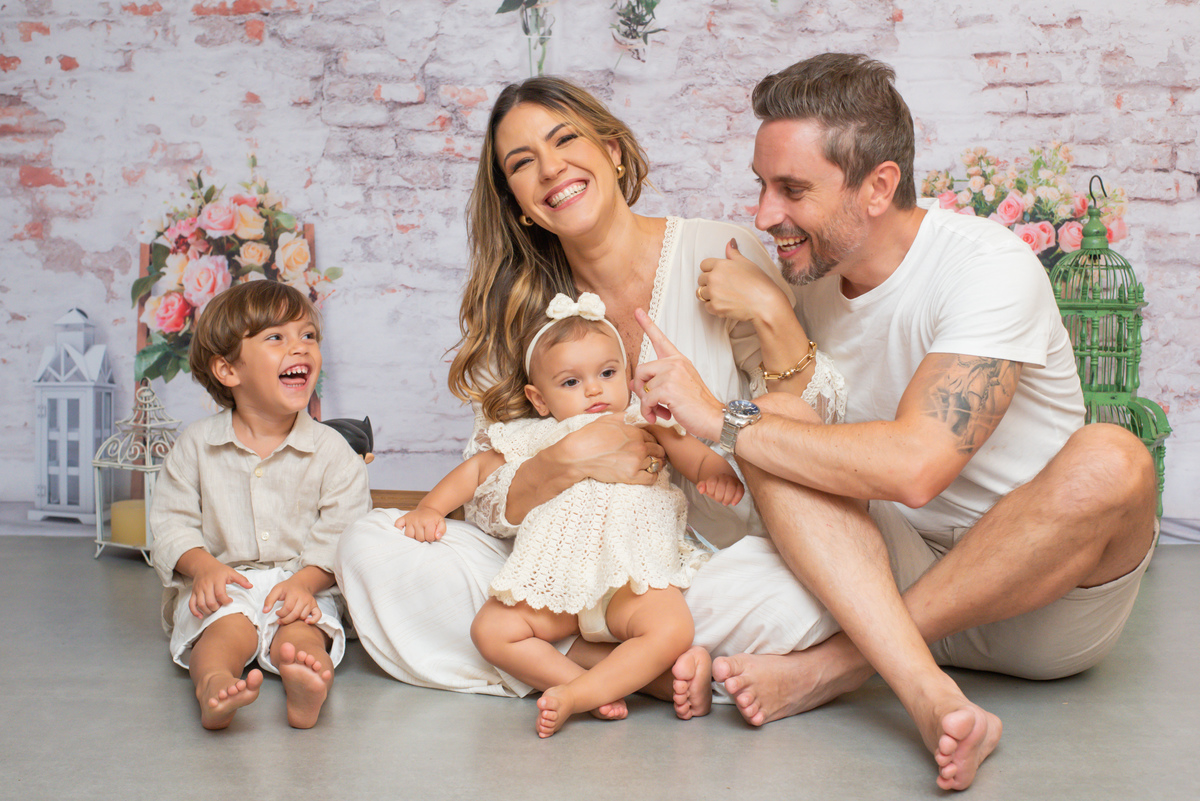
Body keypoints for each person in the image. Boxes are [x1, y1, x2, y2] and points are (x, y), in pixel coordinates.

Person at [632, 53, 1158, 791]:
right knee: (778, 422)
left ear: (878, 186)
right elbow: (796, 451)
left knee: (1115, 457)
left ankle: (836, 668)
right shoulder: (808, 279)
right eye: (761, 185)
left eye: (792, 190)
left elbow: (916, 467)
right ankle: (927, 689)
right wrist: (770, 317)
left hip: (1048, 598)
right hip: (891, 570)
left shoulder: (986, 265)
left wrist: (717, 418)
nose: (763, 215)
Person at [333, 76, 842, 721]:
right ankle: (629, 670)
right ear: (518, 202)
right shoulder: (521, 309)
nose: (551, 169)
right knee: (370, 544)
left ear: (613, 152)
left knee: (808, 585)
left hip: (693, 567)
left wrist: (770, 309)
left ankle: (598, 660)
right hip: (556, 567)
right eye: (522, 163)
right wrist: (566, 461)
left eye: (564, 140)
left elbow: (816, 428)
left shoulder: (717, 251)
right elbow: (488, 498)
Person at [398, 292, 744, 736]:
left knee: (672, 628)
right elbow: (477, 471)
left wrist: (716, 473)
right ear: (539, 399)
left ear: (627, 374)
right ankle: (586, 687)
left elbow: (694, 456)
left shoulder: (644, 420)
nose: (594, 389)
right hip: (557, 578)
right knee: (491, 631)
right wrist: (431, 507)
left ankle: (582, 695)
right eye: (571, 382)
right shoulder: (539, 434)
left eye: (607, 373)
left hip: (631, 576)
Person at [150, 281, 370, 730]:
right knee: (222, 630)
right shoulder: (196, 445)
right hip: (225, 582)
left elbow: (344, 531)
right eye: (276, 337)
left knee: (302, 631)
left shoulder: (332, 451)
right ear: (228, 369)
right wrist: (203, 568)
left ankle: (305, 677)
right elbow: (171, 524)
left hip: (302, 581)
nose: (300, 347)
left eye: (308, 335)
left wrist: (306, 582)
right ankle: (214, 683)